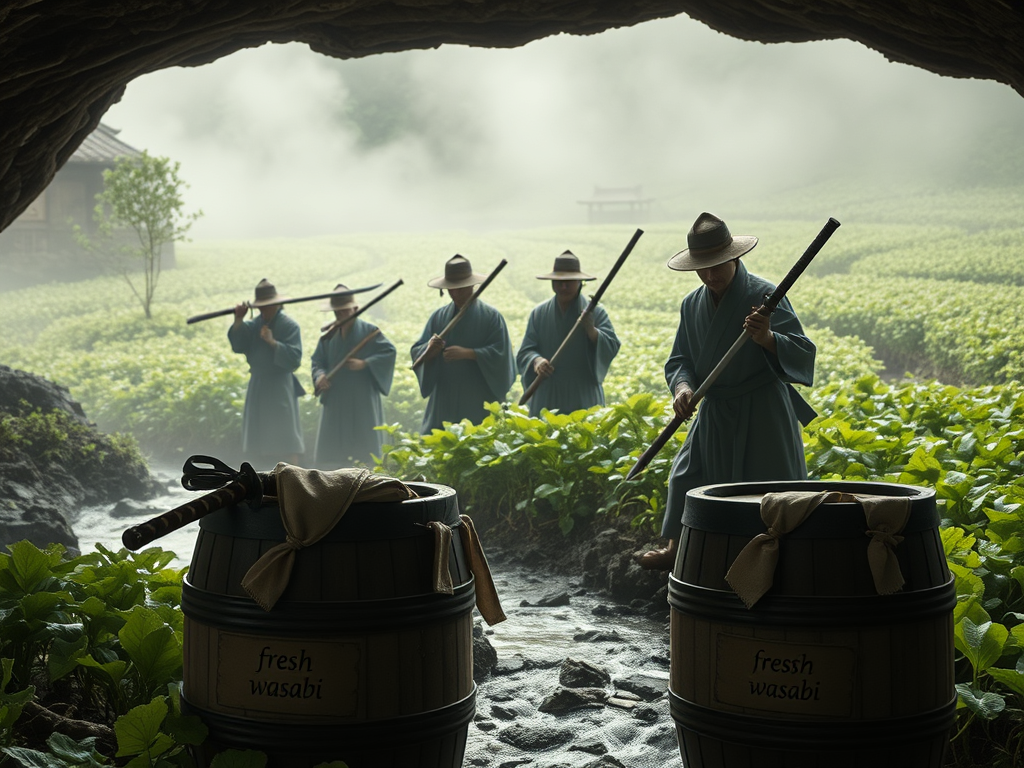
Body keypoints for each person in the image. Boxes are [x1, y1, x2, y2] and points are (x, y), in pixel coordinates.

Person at [638, 213, 817, 570]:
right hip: (715, 408)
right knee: (685, 476)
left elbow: (802, 350)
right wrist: (683, 388)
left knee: (767, 489)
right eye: (701, 268)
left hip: (762, 407)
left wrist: (767, 338)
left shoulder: (765, 295)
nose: (709, 275)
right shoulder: (692, 304)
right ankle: (677, 547)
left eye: (716, 266)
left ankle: (775, 556)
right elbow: (680, 359)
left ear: (734, 257)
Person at [411, 254, 515, 433]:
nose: (456, 293)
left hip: (478, 395)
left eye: (461, 288)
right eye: (451, 289)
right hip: (444, 397)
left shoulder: (491, 317)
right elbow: (417, 351)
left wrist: (470, 353)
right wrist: (430, 350)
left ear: (472, 285)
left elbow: (502, 353)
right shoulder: (438, 317)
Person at [516, 250, 621, 417]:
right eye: (559, 282)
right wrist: (536, 361)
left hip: (583, 396)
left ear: (580, 282)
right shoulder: (539, 313)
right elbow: (525, 352)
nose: (563, 287)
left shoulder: (597, 313)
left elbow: (612, 345)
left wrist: (591, 330)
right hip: (546, 395)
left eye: (569, 282)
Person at [311, 283, 397, 468]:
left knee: (364, 455)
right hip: (336, 400)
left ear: (355, 308)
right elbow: (317, 361)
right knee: (333, 458)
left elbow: (389, 352)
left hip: (361, 399)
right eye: (337, 311)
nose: (340, 314)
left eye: (344, 310)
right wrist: (320, 376)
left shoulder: (370, 332)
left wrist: (365, 363)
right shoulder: (328, 336)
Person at [228, 278, 306, 467]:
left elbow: (295, 357)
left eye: (268, 306)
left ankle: (292, 474)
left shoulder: (289, 326)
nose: (265, 310)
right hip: (259, 384)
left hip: (280, 385)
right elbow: (238, 344)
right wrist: (239, 319)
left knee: (285, 436)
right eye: (261, 307)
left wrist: (273, 343)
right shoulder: (253, 325)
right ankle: (261, 477)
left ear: (278, 304)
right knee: (258, 435)